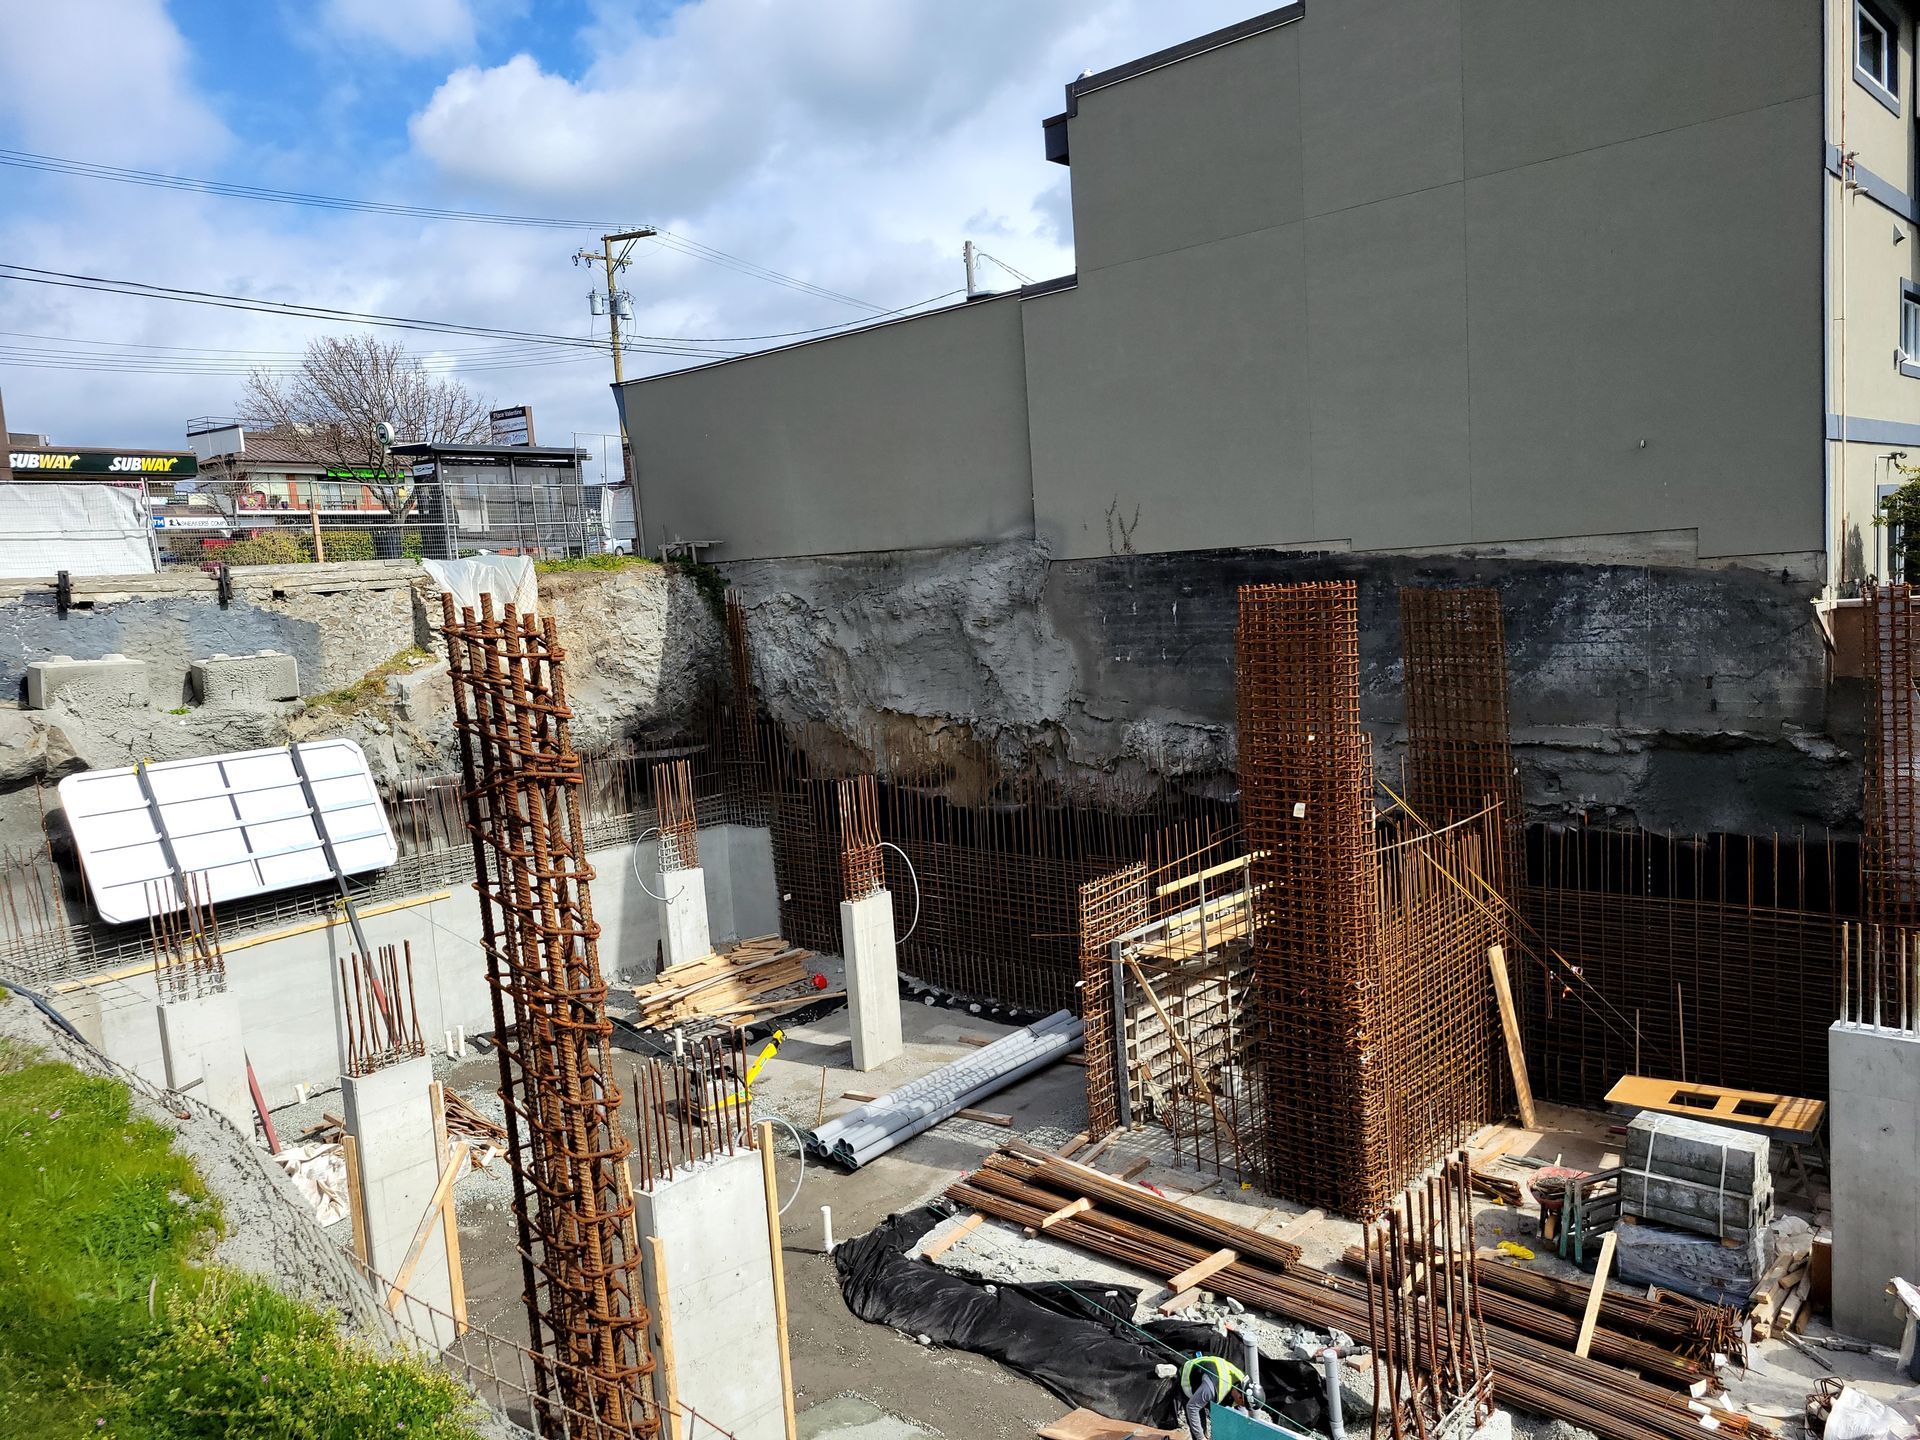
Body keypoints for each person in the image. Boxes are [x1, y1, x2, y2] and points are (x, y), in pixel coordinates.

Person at [1179, 1336, 1250, 1440]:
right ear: (1240, 1397)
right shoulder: (1211, 1389)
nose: (1242, 1406)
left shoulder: (1242, 1382)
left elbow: (1242, 1412)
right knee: (1198, 1418)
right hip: (1189, 1380)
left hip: (1212, 1375)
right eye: (1243, 1403)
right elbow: (1192, 1407)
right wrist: (1201, 1438)